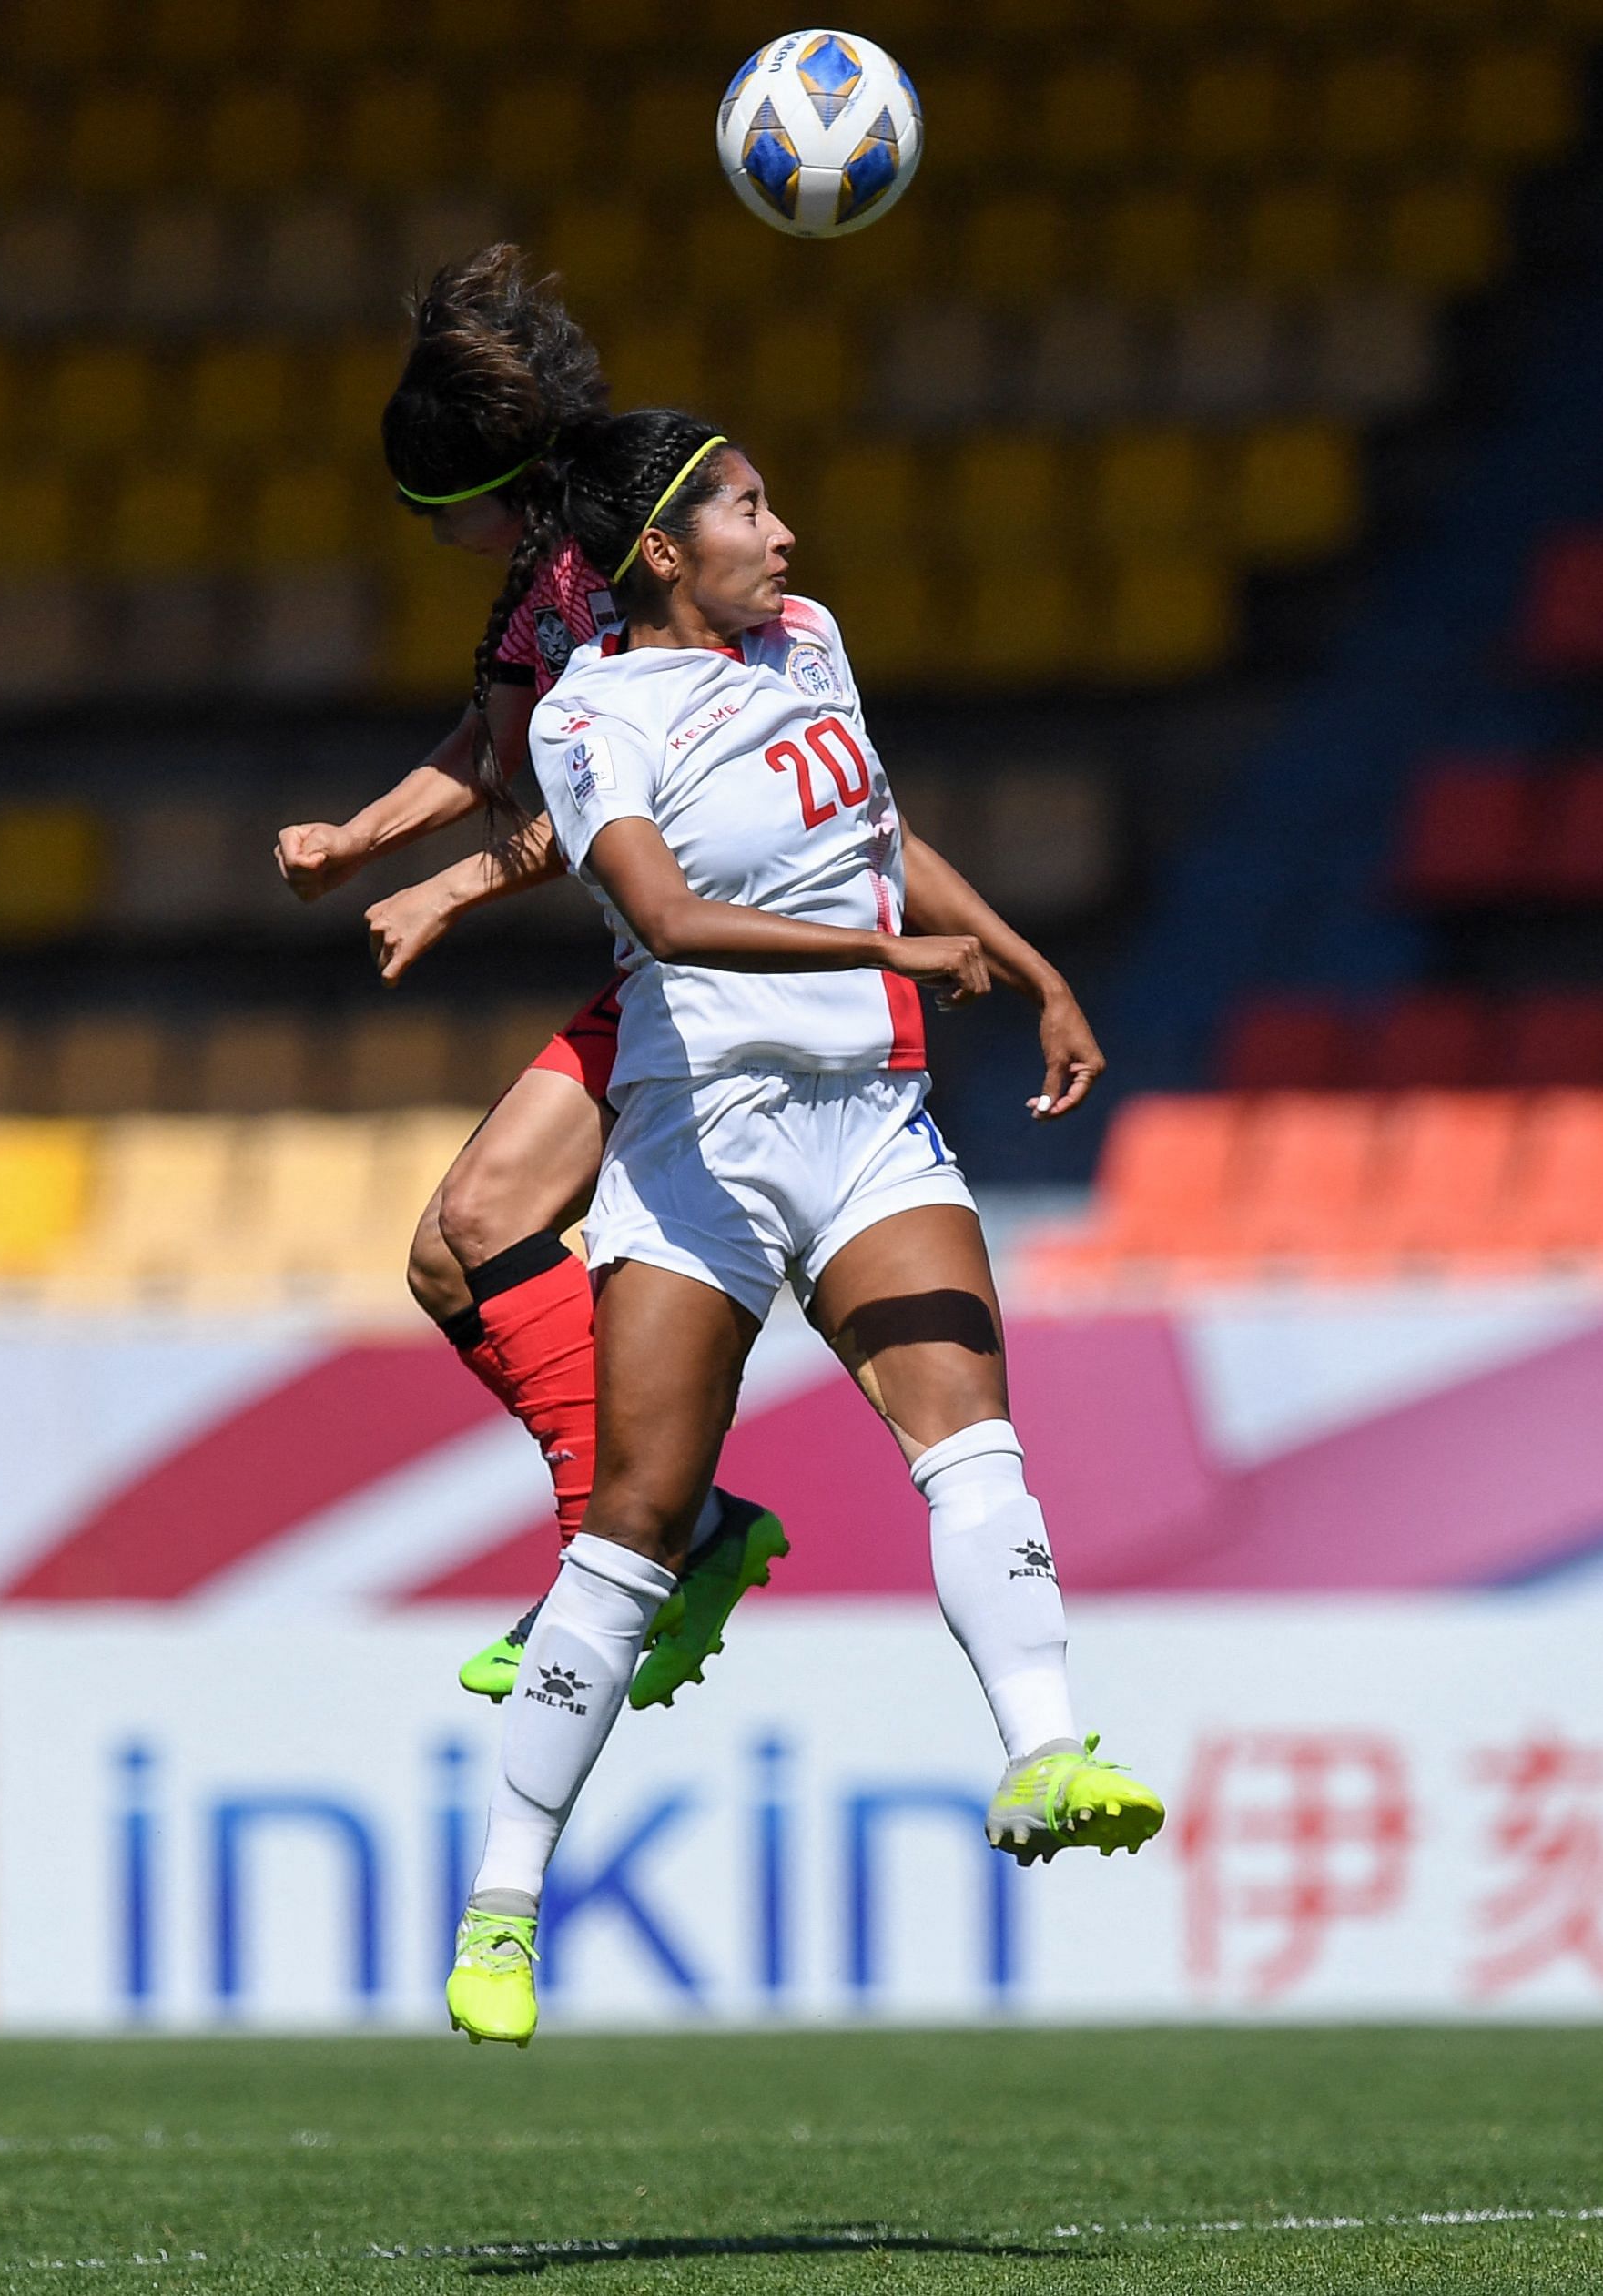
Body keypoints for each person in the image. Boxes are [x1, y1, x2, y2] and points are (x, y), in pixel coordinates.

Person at [440, 410, 1159, 2049]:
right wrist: (894, 963)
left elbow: (872, 836)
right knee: (631, 1522)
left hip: (867, 1129)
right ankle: (500, 1900)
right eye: (745, 510)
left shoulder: (807, 642)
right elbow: (667, 917)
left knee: (972, 1442)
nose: (782, 534)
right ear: (659, 556)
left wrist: (1024, 960)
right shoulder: (590, 714)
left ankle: (1045, 1751)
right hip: (702, 1143)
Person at [273, 247, 782, 1712]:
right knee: (453, 1249)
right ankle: (674, 1529)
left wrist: (440, 885)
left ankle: (632, 1541)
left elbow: (613, 798)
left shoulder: (608, 564)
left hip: (729, 962)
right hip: (672, 965)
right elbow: (495, 754)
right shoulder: (540, 575)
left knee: (477, 1228)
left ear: (463, 498)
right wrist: (354, 841)